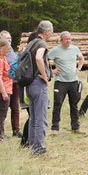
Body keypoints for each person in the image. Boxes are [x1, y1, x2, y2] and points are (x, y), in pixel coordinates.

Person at [49, 31, 85, 134]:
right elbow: (44, 60)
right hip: (60, 82)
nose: (69, 41)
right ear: (61, 40)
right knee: (58, 104)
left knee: (74, 104)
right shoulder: (55, 50)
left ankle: (75, 127)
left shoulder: (74, 49)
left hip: (73, 81)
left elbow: (81, 58)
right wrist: (52, 71)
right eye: (66, 39)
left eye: (70, 39)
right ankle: (55, 128)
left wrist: (79, 68)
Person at [27, 20, 53, 155]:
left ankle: (32, 147)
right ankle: (40, 149)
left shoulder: (31, 43)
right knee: (41, 118)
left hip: (29, 84)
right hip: (38, 83)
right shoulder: (41, 43)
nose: (52, 34)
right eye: (52, 31)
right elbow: (38, 58)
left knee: (33, 117)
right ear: (47, 31)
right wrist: (44, 76)